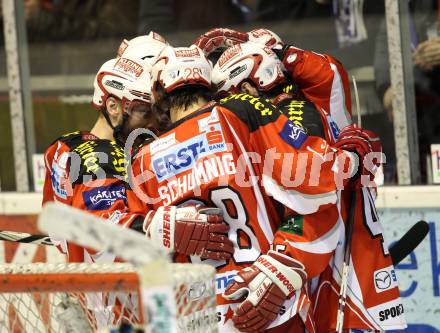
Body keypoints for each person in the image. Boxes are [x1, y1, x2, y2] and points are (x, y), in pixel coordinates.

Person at [126, 43, 380, 332]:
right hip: (266, 301)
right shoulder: (241, 111)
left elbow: (132, 246)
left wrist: (149, 228)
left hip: (196, 315)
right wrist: (352, 157)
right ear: (208, 84)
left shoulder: (141, 158)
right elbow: (318, 183)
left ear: (159, 95)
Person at [211, 40, 406, 332]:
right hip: (349, 271)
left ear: (250, 88)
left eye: (228, 97)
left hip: (340, 283)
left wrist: (278, 270)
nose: (223, 110)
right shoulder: (302, 109)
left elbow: (317, 203)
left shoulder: (293, 115)